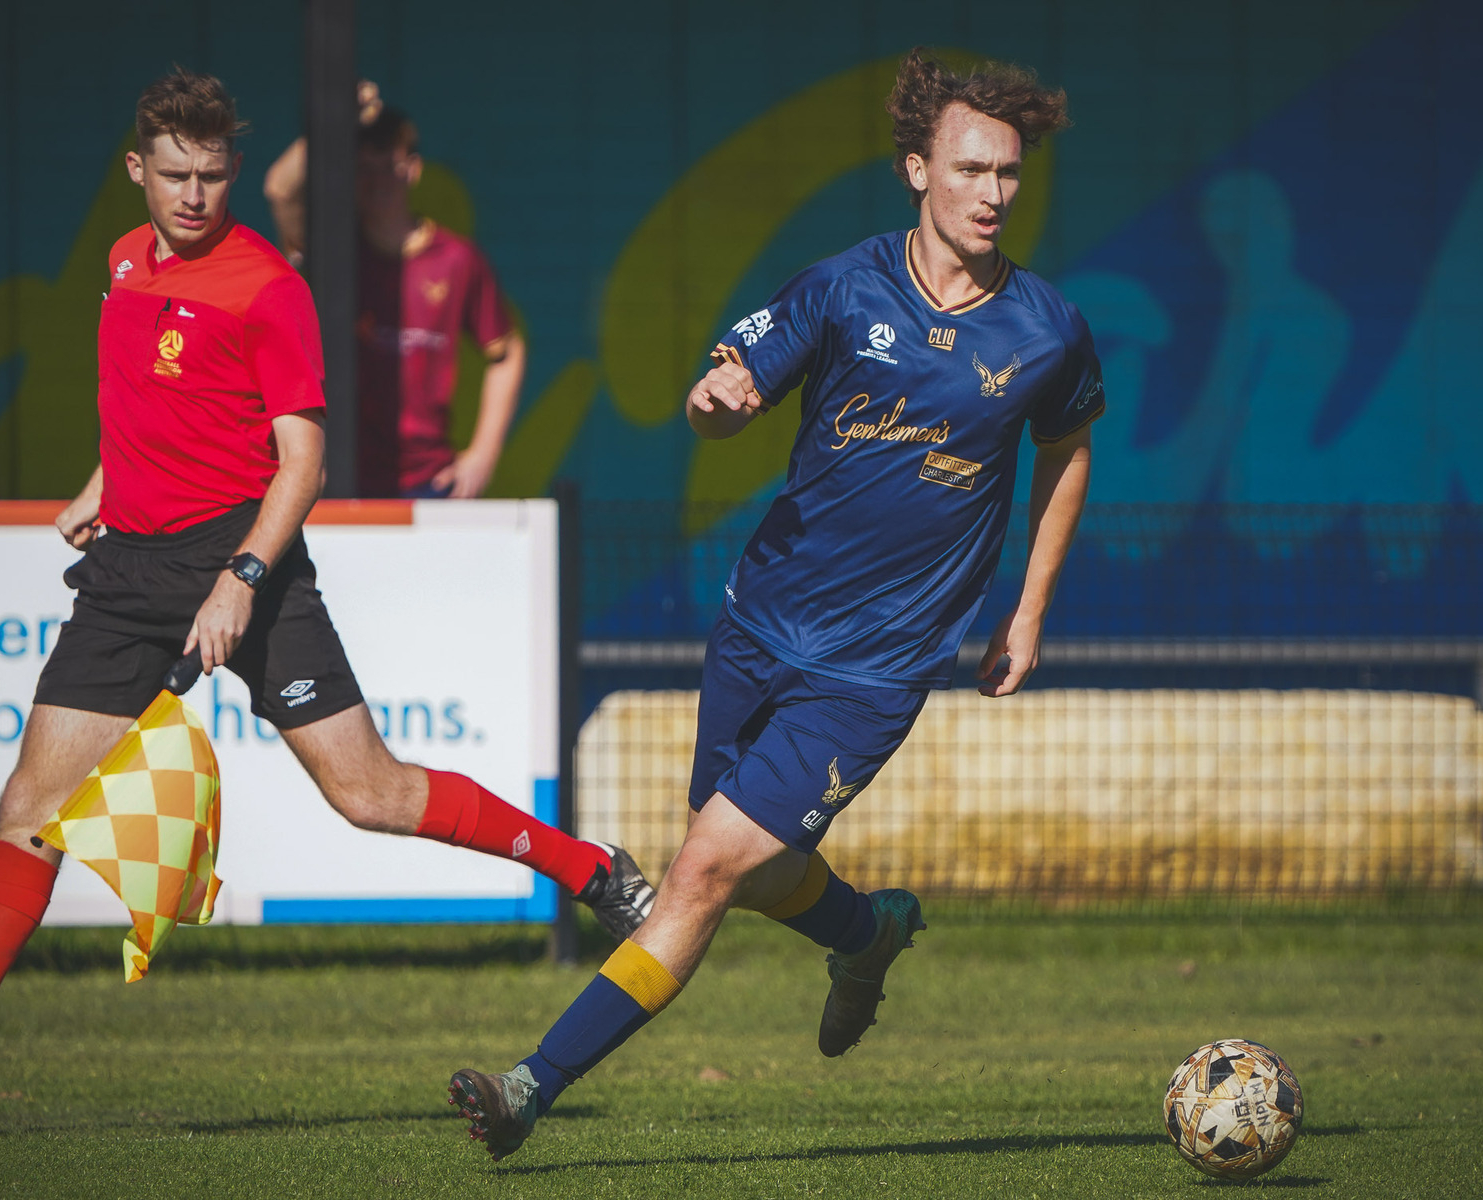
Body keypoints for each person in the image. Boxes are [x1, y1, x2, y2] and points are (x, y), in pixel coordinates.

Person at [0, 69, 651, 1118]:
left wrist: (243, 579)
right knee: (28, 805)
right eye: (174, 175)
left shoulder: (268, 286)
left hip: (244, 558)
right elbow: (150, 408)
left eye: (212, 176)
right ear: (138, 171)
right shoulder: (122, 263)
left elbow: (299, 460)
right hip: (125, 573)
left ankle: (591, 870)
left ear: (233, 173)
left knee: (368, 795)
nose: (194, 195)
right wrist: (99, 484)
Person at [447, 49, 1103, 1160]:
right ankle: (865, 929)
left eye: (1008, 173)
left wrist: (1026, 608)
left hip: (872, 670)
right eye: (970, 168)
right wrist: (716, 402)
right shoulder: (842, 287)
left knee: (703, 869)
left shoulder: (1044, 328)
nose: (992, 193)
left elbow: (1067, 451)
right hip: (758, 625)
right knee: (747, 871)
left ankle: (528, 1086)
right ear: (915, 171)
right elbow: (723, 392)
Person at [263, 83, 523, 498]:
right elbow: (280, 188)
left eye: (389, 164)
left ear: (413, 168)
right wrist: (337, 118)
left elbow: (506, 353)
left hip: (428, 480)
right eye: (364, 168)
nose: (378, 179)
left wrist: (483, 455)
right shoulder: (333, 252)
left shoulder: (456, 259)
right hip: (339, 474)